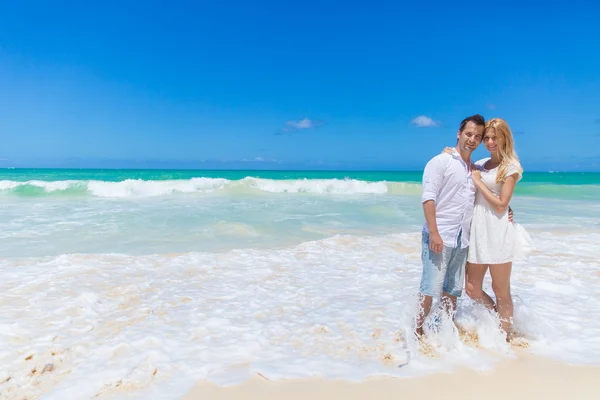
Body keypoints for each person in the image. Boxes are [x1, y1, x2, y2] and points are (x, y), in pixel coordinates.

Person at [415, 114, 484, 338]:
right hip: (440, 235)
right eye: (468, 134)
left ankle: (443, 331)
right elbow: (428, 198)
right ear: (458, 133)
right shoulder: (441, 162)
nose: (472, 139)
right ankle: (416, 333)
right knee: (430, 288)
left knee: (453, 289)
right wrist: (434, 233)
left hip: (462, 238)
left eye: (477, 136)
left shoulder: (474, 170)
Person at [463, 118, 524, 339]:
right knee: (471, 288)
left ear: (504, 138)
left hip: (498, 231)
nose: (489, 142)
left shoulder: (511, 167)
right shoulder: (479, 163)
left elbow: (501, 204)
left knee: (500, 289)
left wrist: (478, 182)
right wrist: (450, 151)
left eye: (494, 137)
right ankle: (499, 319)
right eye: (486, 138)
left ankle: (502, 337)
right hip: (478, 231)